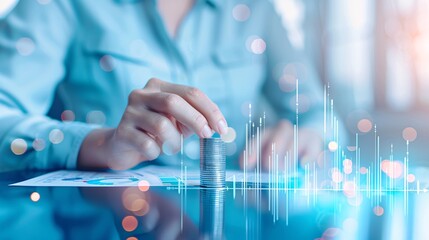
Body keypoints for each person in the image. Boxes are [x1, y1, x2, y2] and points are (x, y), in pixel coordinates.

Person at [0, 0, 324, 171]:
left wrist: (305, 136)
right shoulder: (61, 4)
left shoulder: (255, 8)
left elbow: (320, 115)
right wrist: (99, 144)